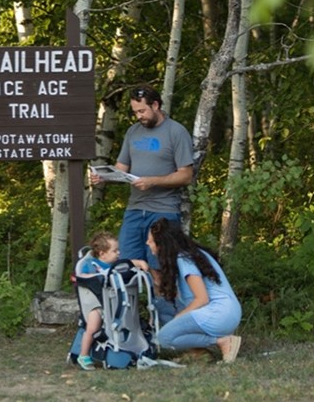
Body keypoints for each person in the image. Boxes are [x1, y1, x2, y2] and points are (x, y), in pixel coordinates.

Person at [90, 84, 194, 275]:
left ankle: (164, 304)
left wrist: (152, 181)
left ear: (155, 105)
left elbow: (186, 175)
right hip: (135, 209)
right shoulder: (133, 132)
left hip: (163, 210)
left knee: (159, 269)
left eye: (142, 111)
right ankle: (134, 305)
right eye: (135, 112)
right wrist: (104, 177)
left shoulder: (176, 132)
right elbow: (122, 169)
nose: (139, 116)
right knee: (124, 265)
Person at [133, 218, 242, 363]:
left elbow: (202, 299)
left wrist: (179, 318)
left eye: (150, 240)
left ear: (163, 244)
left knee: (164, 338)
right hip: (227, 312)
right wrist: (149, 271)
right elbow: (171, 294)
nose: (147, 243)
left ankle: (222, 341)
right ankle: (199, 351)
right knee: (161, 307)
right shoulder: (191, 254)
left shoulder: (184, 259)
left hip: (218, 314)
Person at [74, 231, 120, 371]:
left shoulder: (114, 265)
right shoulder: (90, 264)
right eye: (115, 251)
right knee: (93, 327)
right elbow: (81, 276)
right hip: (93, 301)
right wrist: (96, 276)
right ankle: (83, 355)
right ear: (102, 253)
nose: (119, 253)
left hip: (108, 300)